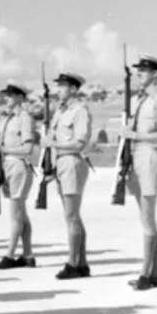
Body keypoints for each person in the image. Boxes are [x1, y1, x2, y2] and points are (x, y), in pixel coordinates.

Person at [123, 55, 157, 291]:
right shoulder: (138, 101)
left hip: (150, 156)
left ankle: (146, 273)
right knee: (146, 217)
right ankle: (156, 273)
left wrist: (134, 136)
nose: (139, 74)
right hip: (135, 157)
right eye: (138, 70)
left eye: (144, 71)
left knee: (148, 218)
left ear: (156, 73)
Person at [40, 73, 94, 279]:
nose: (59, 90)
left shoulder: (80, 111)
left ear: (73, 89)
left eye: (63, 87)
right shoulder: (60, 112)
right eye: (58, 86)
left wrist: (53, 144)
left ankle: (73, 263)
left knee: (71, 216)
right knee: (73, 216)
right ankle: (81, 263)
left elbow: (80, 142)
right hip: (62, 162)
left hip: (72, 161)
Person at [0, 84, 37, 270]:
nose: (7, 99)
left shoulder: (24, 118)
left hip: (19, 165)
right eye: (6, 96)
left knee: (16, 214)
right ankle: (28, 255)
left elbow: (28, 149)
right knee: (21, 215)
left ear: (20, 97)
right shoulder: (6, 119)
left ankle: (10, 254)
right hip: (7, 166)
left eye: (11, 96)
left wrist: (4, 149)